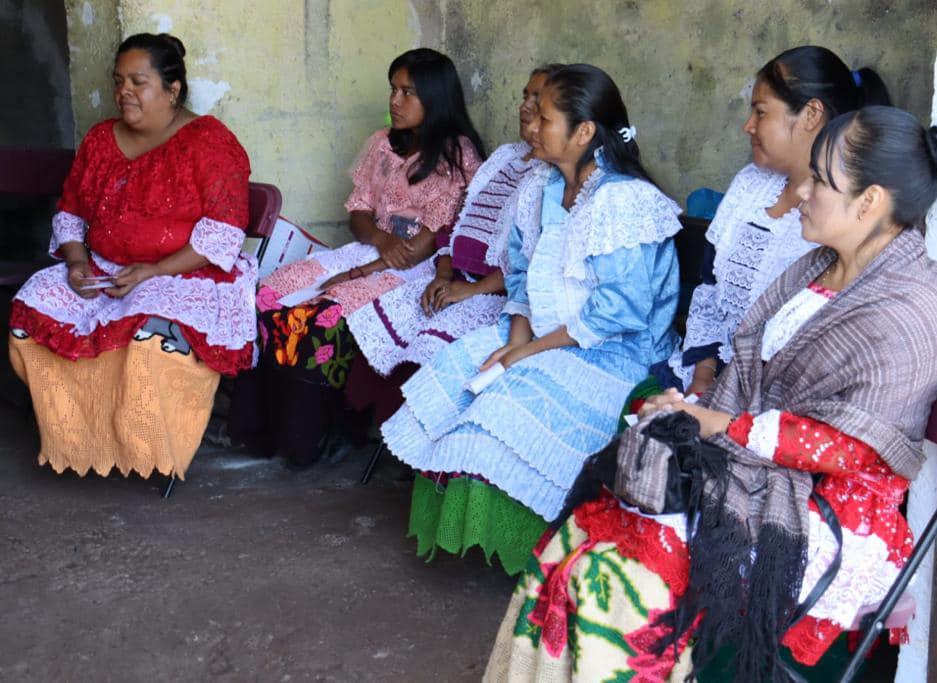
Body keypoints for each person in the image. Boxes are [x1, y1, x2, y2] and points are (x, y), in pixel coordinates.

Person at [484, 106, 937, 682]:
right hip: (757, 467)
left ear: (869, 202)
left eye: (819, 181)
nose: (802, 192)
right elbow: (749, 361)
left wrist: (714, 426)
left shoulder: (911, 308)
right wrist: (699, 415)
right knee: (580, 534)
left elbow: (850, 447)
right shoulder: (818, 268)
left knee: (613, 578)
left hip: (826, 506)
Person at [380, 64, 682, 575]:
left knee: (506, 398)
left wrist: (526, 353)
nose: (531, 126)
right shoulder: (540, 185)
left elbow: (618, 314)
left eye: (543, 118)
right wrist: (515, 340)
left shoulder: (624, 201)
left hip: (611, 352)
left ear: (584, 132)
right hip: (543, 332)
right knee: (461, 368)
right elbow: (520, 277)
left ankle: (524, 548)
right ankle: (465, 531)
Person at [8, 33, 254, 482]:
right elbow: (71, 211)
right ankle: (80, 438)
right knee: (31, 311)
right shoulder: (102, 139)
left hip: (184, 274)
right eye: (119, 80)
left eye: (138, 82)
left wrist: (154, 269)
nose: (124, 92)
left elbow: (222, 234)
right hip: (103, 269)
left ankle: (147, 450)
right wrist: (78, 262)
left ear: (172, 89)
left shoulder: (208, 142)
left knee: (146, 337)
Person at [229, 48, 484, 467]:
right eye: (393, 89)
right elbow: (359, 213)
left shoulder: (458, 158)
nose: (394, 101)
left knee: (322, 315)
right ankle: (257, 430)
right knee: (269, 294)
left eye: (407, 92)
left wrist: (368, 265)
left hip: (414, 269)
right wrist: (378, 241)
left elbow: (422, 244)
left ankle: (315, 438)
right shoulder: (382, 144)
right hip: (373, 247)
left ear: (436, 99)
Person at [653, 46, 890, 398]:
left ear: (811, 114)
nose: (748, 126)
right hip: (705, 379)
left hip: (772, 401)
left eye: (760, 112)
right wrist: (703, 378)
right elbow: (709, 289)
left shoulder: (845, 214)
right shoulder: (750, 185)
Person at [346, 66, 558, 378]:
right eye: (525, 95)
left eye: (537, 100)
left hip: (493, 291)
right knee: (379, 334)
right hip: (452, 273)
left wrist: (469, 289)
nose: (524, 106)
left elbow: (526, 262)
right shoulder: (505, 157)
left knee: (418, 352)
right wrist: (445, 272)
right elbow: (457, 223)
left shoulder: (550, 178)